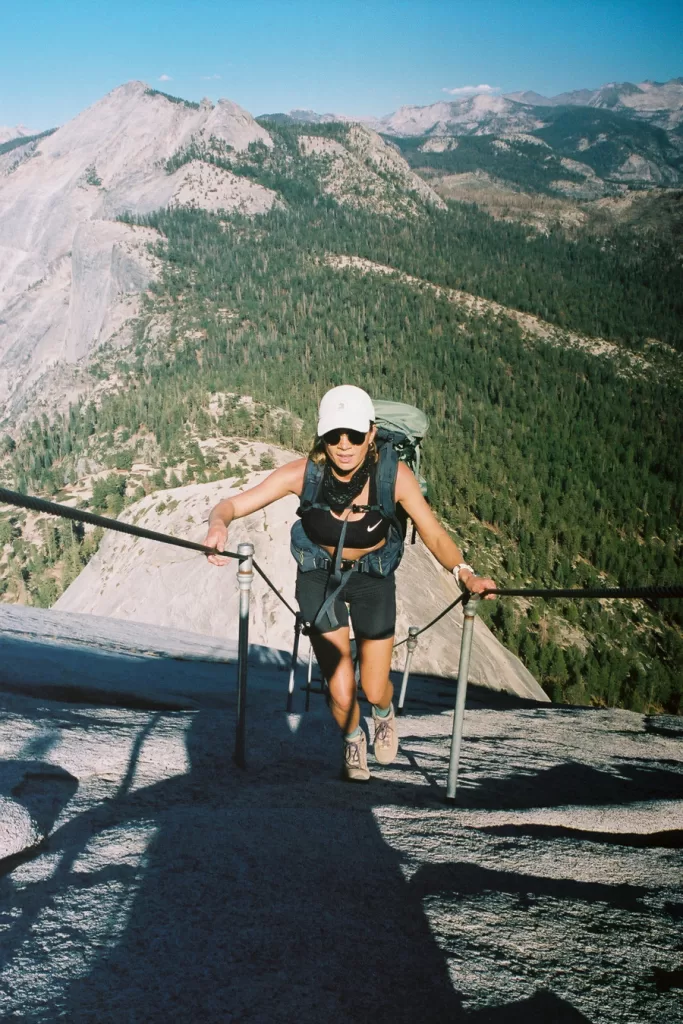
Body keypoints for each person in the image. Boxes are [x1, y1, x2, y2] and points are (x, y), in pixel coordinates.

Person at [204, 385, 496, 782]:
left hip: (373, 578)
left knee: (375, 687)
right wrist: (218, 524)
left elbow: (435, 535)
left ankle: (382, 712)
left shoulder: (394, 476)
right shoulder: (304, 474)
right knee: (340, 690)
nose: (344, 445)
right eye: (334, 436)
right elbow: (234, 504)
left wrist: (465, 573)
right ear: (322, 437)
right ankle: (352, 736)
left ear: (371, 434)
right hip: (317, 576)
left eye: (355, 435)